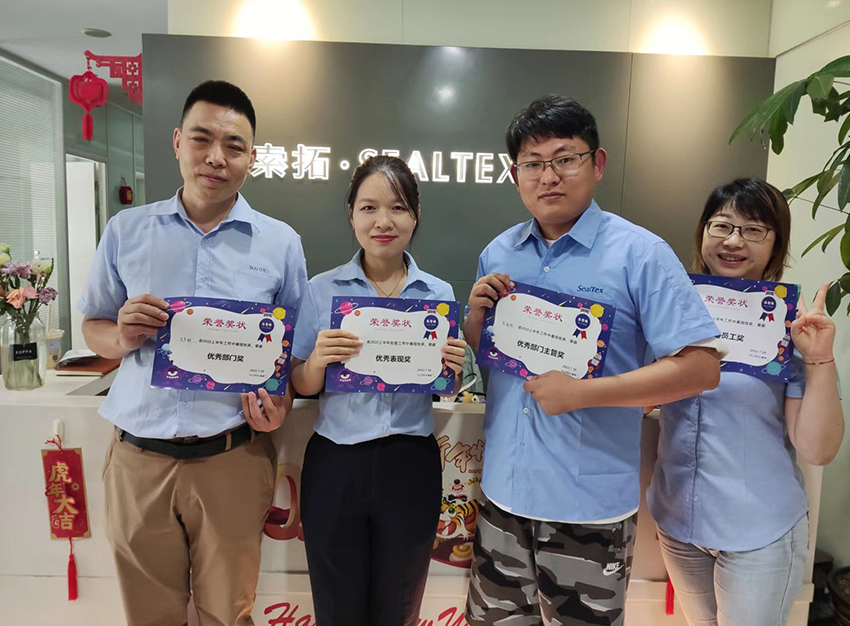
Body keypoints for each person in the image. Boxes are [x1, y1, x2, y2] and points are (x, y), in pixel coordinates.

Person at [463, 95, 724, 626]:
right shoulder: (499, 252)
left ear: (597, 163)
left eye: (565, 158)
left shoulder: (641, 254)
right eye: (533, 164)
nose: (548, 176)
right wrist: (475, 317)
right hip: (502, 499)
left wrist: (584, 393)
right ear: (515, 175)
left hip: (587, 510)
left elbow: (702, 368)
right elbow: (490, 355)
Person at [78, 80, 308, 626]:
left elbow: (291, 355)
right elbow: (92, 327)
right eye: (202, 138)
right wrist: (122, 336)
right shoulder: (126, 230)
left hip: (233, 457)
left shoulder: (280, 243)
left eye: (234, 145)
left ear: (252, 158)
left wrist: (280, 404)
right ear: (178, 141)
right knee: (149, 615)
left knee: (229, 614)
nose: (216, 157)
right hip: (139, 459)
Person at [647, 178, 844, 626]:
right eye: (722, 226)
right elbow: (637, 400)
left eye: (754, 230)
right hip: (678, 522)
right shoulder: (668, 313)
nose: (734, 241)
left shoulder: (790, 328)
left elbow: (817, 450)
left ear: (775, 246)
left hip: (759, 533)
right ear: (703, 233)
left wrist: (819, 360)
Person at [290, 155, 467, 626]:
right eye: (368, 208)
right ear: (351, 215)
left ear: (416, 216)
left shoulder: (438, 295)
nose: (383, 221)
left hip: (410, 464)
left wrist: (452, 369)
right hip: (336, 463)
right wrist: (317, 361)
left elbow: (445, 389)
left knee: (400, 605)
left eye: (397, 207)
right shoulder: (322, 290)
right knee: (336, 605)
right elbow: (299, 382)